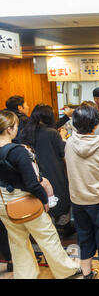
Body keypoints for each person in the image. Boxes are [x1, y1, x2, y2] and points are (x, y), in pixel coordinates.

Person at [0, 110, 81, 279]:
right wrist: (44, 200)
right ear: (9, 129)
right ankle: (66, 271)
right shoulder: (17, 151)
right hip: (24, 200)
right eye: (15, 126)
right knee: (47, 236)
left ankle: (25, 274)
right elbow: (32, 183)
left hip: (3, 202)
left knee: (17, 241)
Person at [65, 105, 99, 279]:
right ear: (96, 125)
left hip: (78, 199)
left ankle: (87, 274)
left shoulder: (69, 143)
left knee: (84, 236)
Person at [19, 104, 75, 238]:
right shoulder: (52, 133)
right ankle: (63, 228)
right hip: (53, 169)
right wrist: (62, 137)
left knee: (41, 198)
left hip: (35, 171)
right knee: (60, 195)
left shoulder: (25, 132)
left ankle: (45, 228)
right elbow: (63, 152)